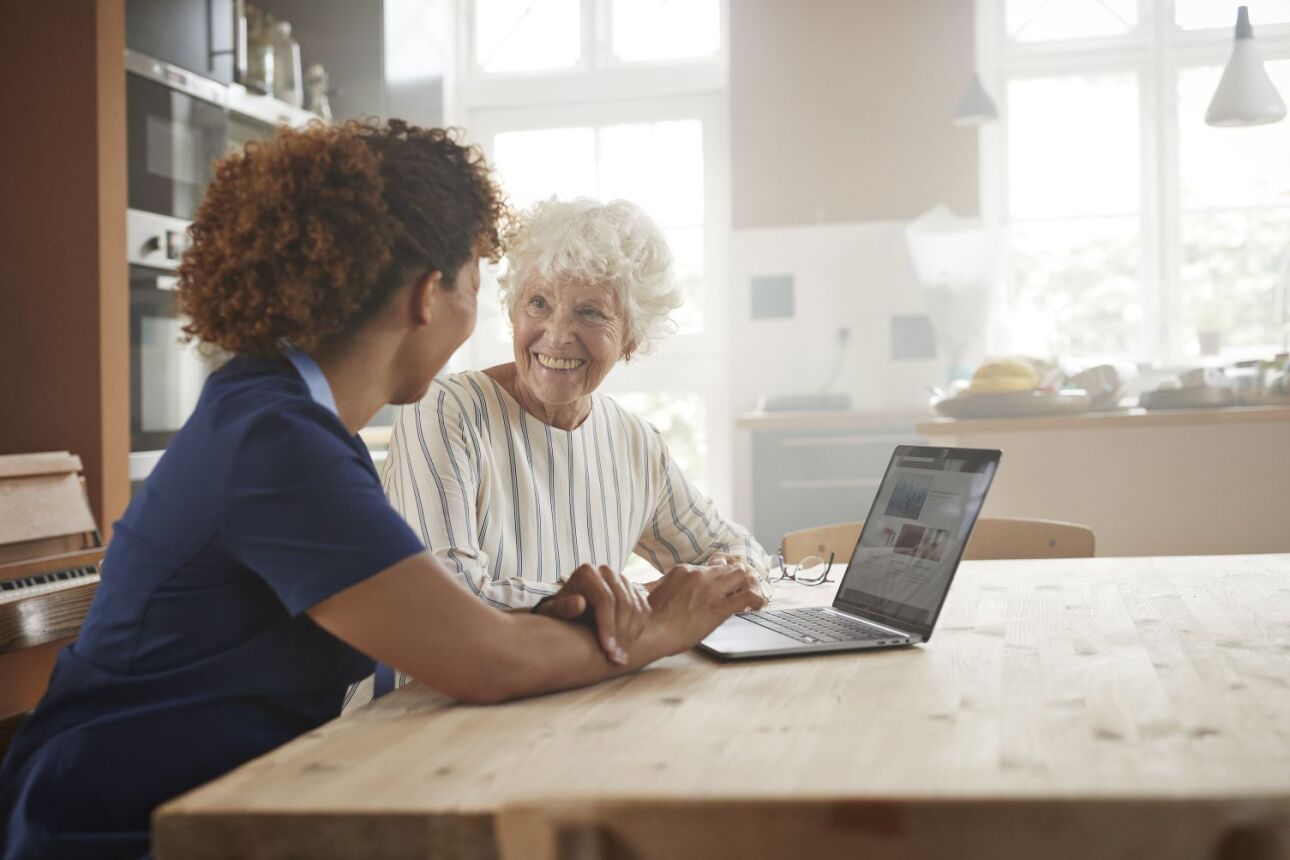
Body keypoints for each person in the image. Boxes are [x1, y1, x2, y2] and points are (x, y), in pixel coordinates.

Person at [0, 122, 763, 859]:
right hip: (126, 832)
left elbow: (451, 624)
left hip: (231, 801)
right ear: (431, 296)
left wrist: (553, 609)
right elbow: (483, 659)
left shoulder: (286, 418)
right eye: (480, 278)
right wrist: (658, 625)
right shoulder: (278, 443)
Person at [382, 197, 773, 621]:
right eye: (539, 304)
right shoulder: (444, 411)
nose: (557, 336)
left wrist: (734, 574)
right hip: (445, 686)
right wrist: (642, 599)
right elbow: (447, 599)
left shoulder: (635, 442)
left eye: (589, 312)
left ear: (631, 339)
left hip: (582, 683)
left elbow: (736, 547)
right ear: (514, 311)